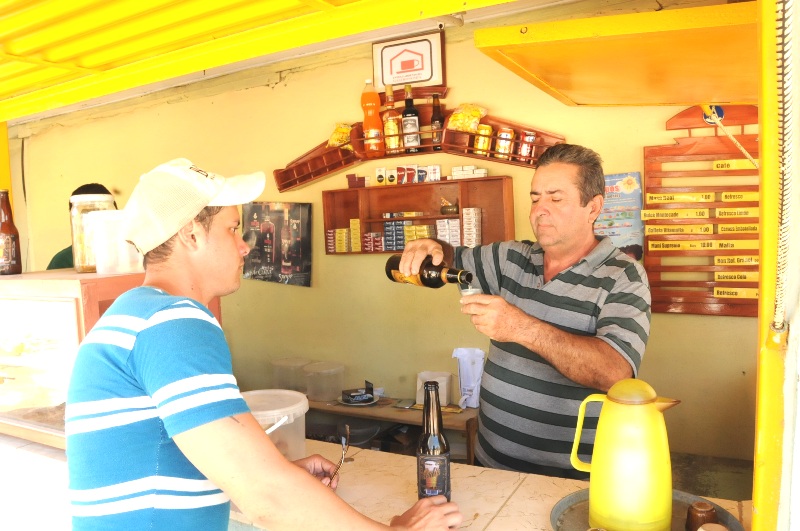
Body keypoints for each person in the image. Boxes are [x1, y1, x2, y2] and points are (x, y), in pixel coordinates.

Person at [65, 158, 462, 530]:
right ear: (191, 234)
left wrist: (282, 471)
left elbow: (206, 462)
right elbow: (265, 495)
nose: (244, 245)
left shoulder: (137, 312)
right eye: (233, 229)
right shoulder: (173, 322)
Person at [398, 144, 651, 479]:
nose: (539, 210)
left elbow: (614, 372)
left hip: (573, 480)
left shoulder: (623, 276)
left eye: (555, 198)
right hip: (492, 466)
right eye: (535, 198)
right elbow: (449, 260)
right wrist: (432, 247)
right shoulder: (510, 258)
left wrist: (521, 327)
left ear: (593, 207)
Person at [47, 183, 117, 269]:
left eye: (101, 214)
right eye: (86, 216)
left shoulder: (129, 254)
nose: (94, 223)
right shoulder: (63, 261)